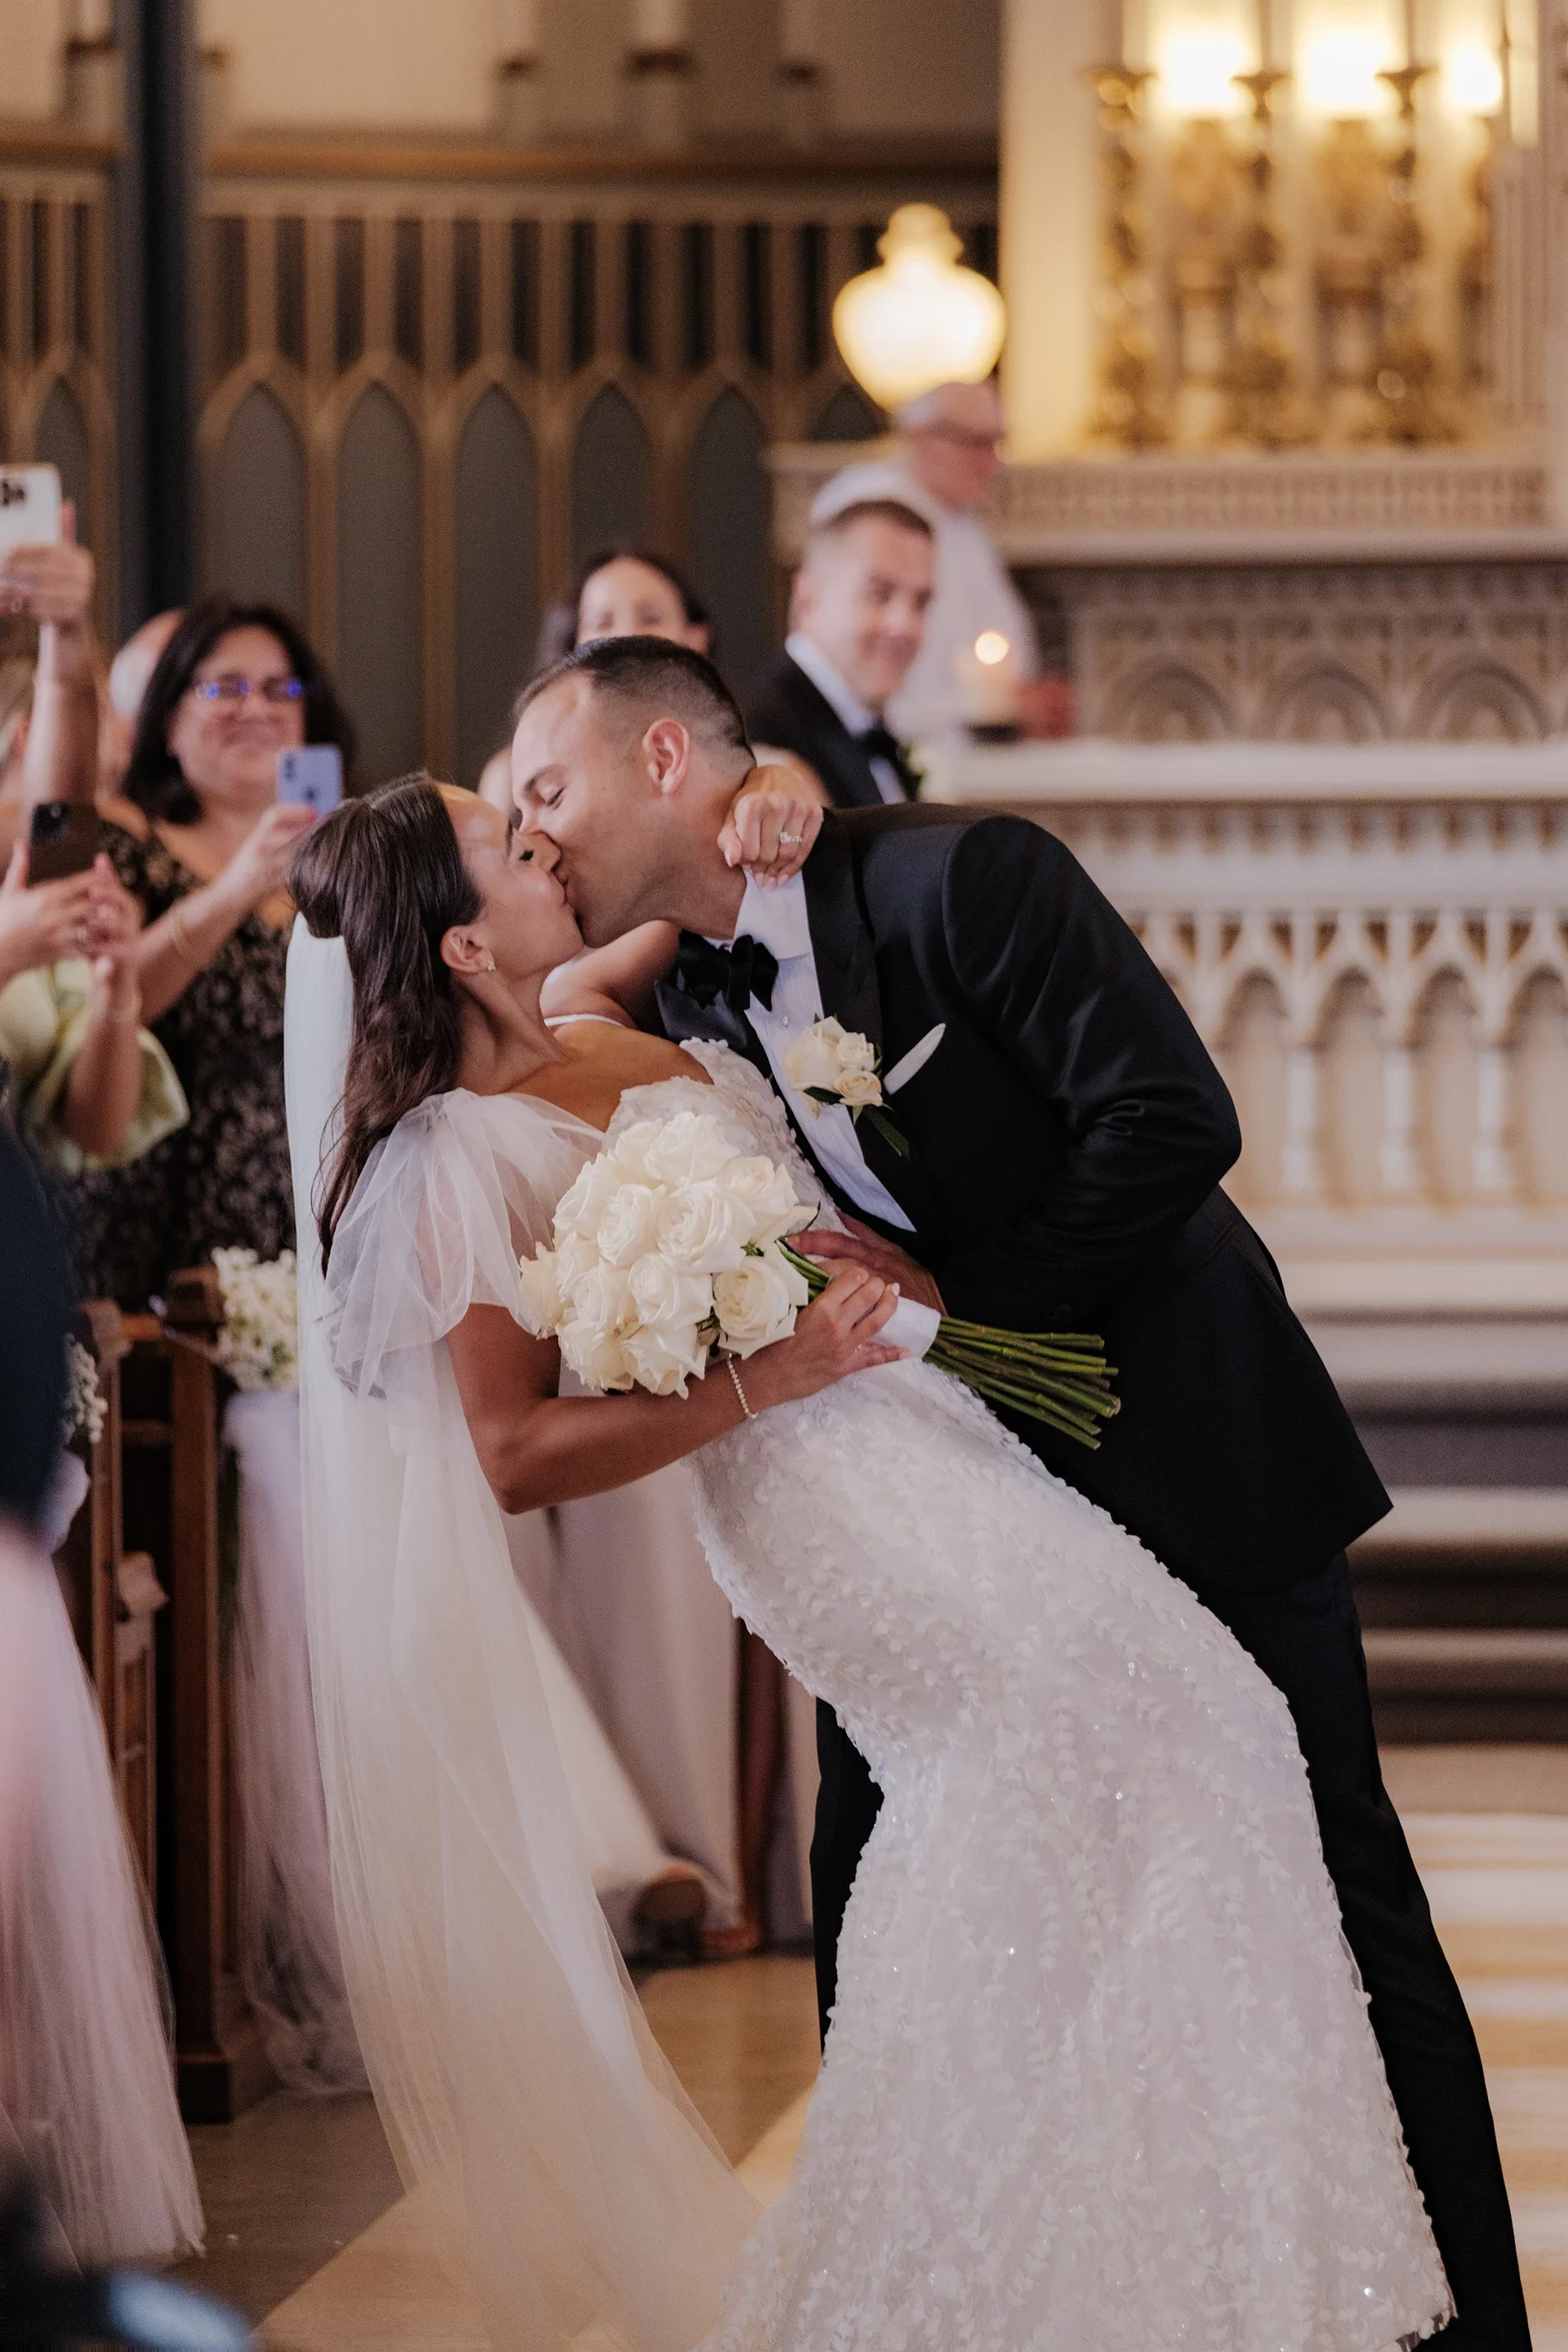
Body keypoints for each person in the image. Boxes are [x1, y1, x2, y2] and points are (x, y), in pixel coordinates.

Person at [285, 742, 1454, 2351]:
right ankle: (995, 2269)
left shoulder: (616, 1020)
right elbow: (513, 1452)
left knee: (1132, 1775)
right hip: (821, 1504)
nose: (544, 846)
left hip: (940, 1441)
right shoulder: (454, 1165)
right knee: (1159, 1739)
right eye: (509, 842)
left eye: (539, 806)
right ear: (465, 947)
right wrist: (770, 1371)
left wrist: (769, 772)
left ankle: (1109, 2263)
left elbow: (724, 878)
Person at [60, 595, 352, 1305]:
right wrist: (240, 886)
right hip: (161, 1235)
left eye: (279, 689)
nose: (255, 708)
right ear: (167, 723)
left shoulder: (349, 858)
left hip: (324, 1223)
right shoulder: (121, 842)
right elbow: (117, 995)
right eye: (224, 687)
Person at [813, 380, 1072, 744]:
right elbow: (885, 664)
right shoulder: (872, 510)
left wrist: (1021, 698)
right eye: (977, 444)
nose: (992, 464)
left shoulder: (962, 525)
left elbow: (1001, 642)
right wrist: (990, 708)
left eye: (997, 444)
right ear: (919, 437)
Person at [741, 498, 933, 810]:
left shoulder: (873, 733)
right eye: (879, 595)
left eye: (921, 603)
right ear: (808, 597)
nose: (905, 625)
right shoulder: (761, 729)